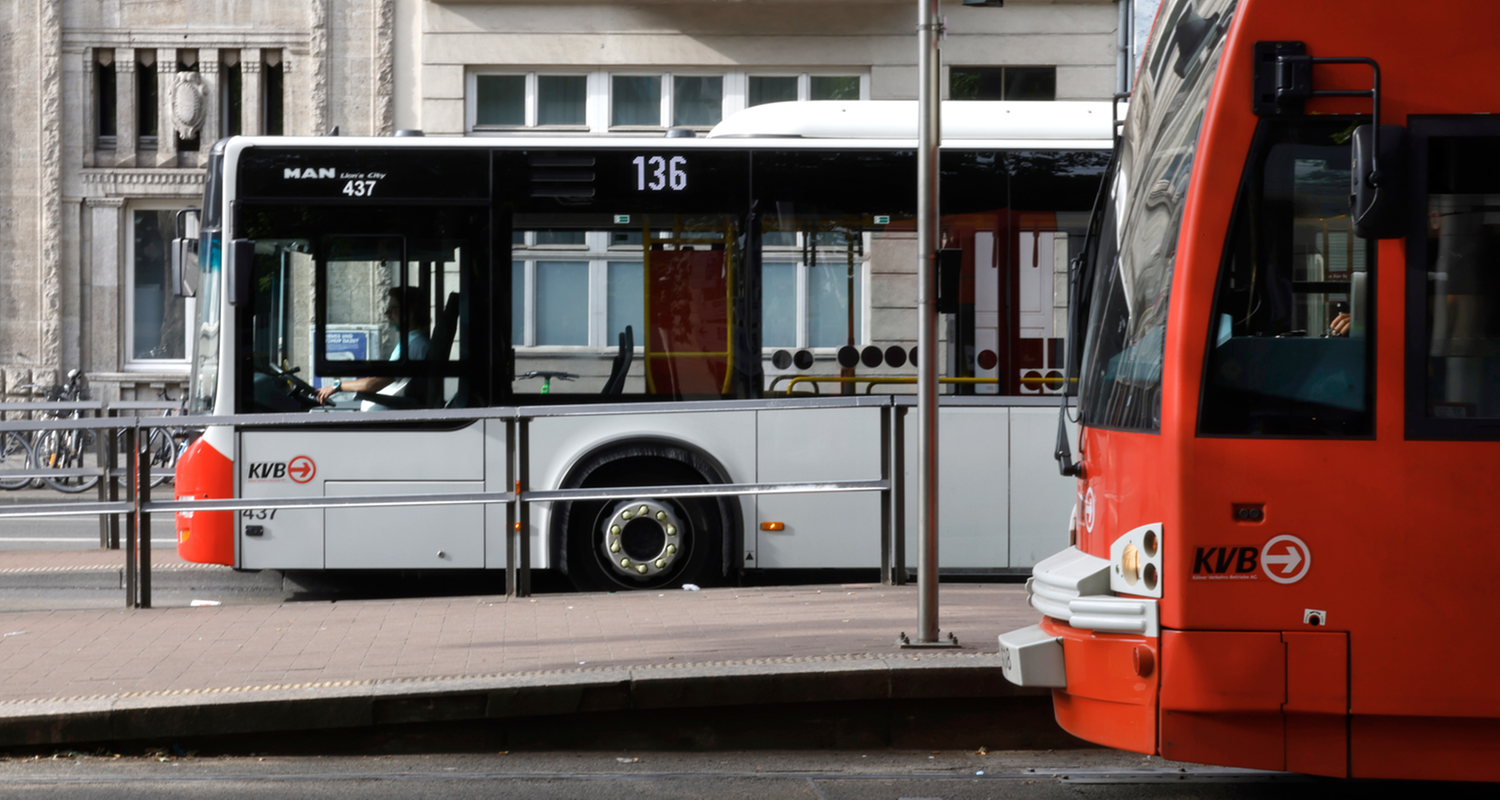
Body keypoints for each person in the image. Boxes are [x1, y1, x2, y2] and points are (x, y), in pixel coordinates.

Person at [316, 286, 430, 409]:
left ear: (410, 311)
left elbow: (374, 384)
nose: (387, 313)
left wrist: (337, 386)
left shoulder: (413, 345)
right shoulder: (411, 341)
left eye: (393, 309)